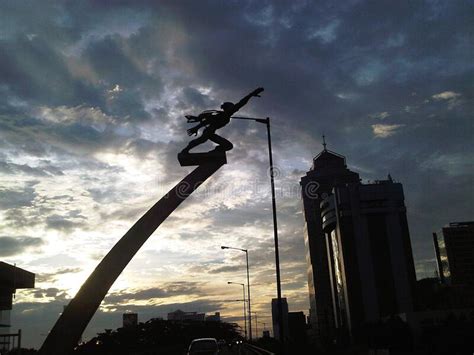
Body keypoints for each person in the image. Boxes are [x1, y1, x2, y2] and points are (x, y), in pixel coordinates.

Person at [181, 87, 264, 154]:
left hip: (210, 132)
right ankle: (185, 151)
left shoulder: (222, 115)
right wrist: (251, 94)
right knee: (202, 140)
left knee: (226, 145)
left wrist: (197, 127)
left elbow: (206, 121)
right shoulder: (225, 114)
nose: (234, 109)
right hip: (209, 131)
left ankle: (215, 152)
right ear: (228, 108)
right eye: (231, 107)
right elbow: (241, 103)